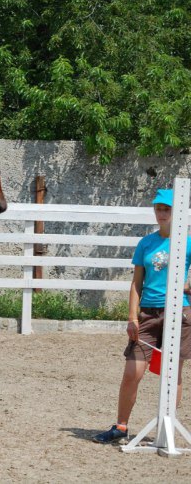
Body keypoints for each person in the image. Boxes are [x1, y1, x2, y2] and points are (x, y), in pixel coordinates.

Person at [92, 188, 191, 443]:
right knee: (132, 372)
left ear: (177, 211)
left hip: (178, 312)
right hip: (148, 312)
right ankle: (121, 427)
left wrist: (181, 286)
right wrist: (132, 317)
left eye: (167, 209)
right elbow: (137, 283)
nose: (162, 213)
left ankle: (165, 428)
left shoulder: (188, 242)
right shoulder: (146, 243)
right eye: (158, 208)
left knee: (172, 373)